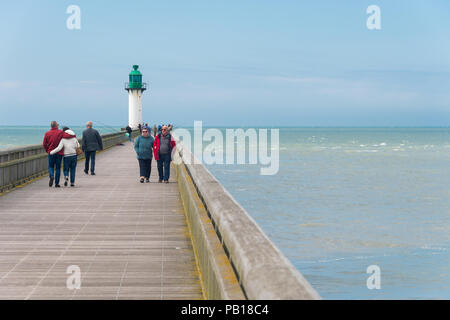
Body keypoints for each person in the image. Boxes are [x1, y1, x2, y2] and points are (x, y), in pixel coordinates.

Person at [43, 121, 64, 187]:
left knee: (51, 166)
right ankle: (57, 183)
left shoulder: (47, 133)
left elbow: (44, 143)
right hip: (59, 153)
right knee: (58, 168)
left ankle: (51, 175)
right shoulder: (61, 132)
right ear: (56, 126)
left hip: (51, 152)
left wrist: (47, 150)